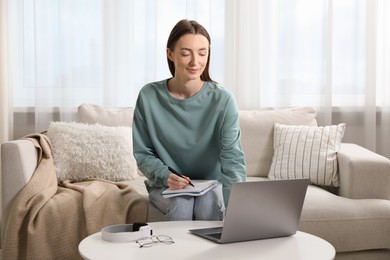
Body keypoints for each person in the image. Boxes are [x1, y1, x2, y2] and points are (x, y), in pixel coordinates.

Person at [132, 19, 246, 221]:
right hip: (166, 185)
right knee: (181, 203)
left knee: (208, 202)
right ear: (170, 54)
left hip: (211, 184)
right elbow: (143, 154)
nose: (195, 62)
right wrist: (165, 176)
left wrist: (239, 211)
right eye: (186, 53)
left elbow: (233, 161)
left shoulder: (224, 100)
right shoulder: (149, 96)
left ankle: (213, 253)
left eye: (202, 53)